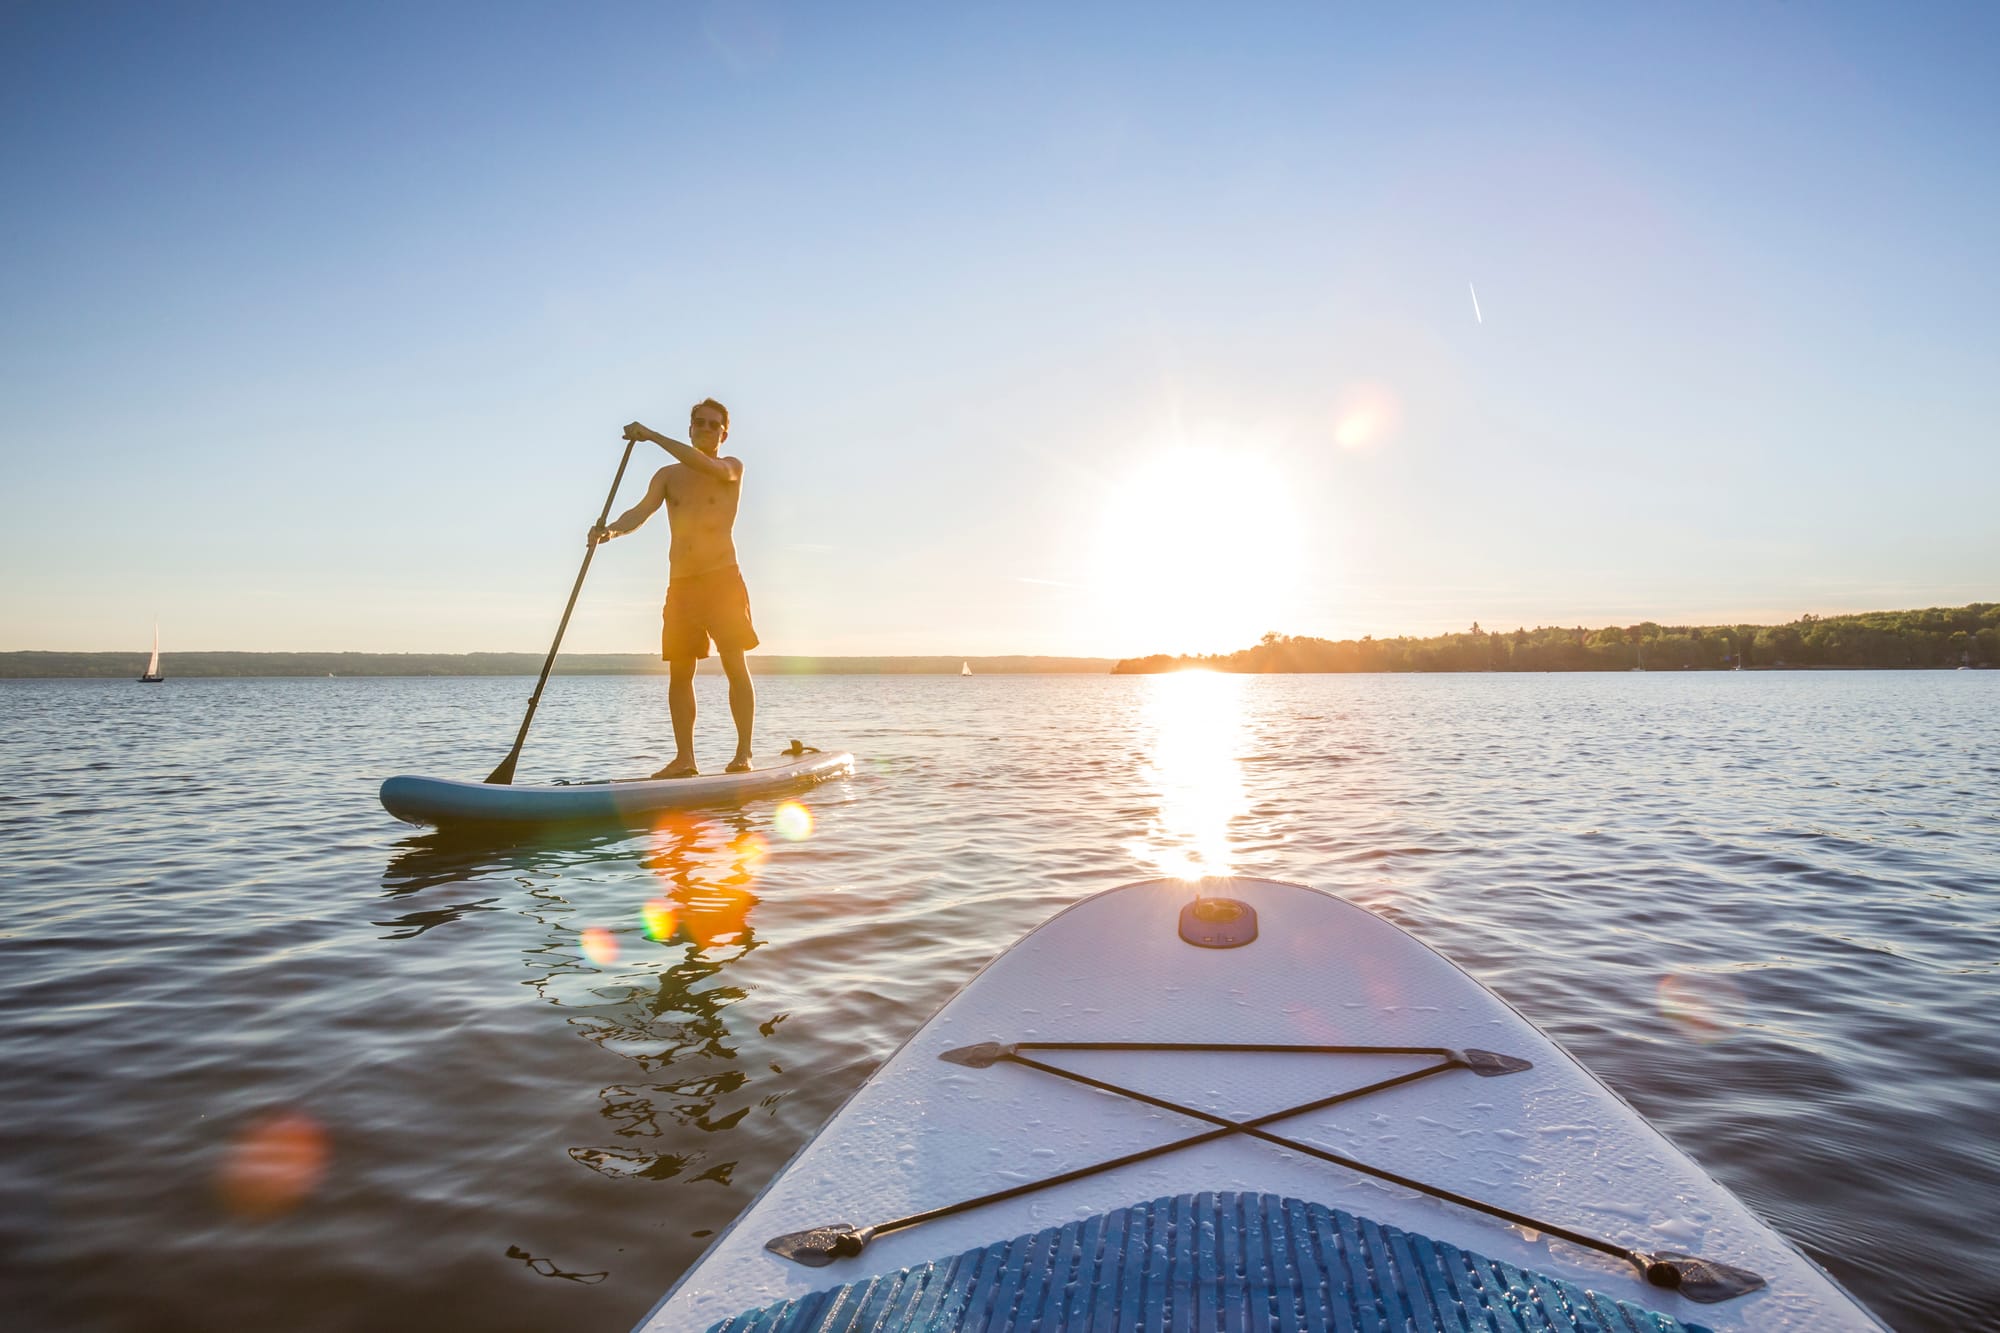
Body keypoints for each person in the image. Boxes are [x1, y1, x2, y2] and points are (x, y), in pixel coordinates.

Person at [589, 398, 757, 777]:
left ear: (724, 433)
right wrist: (610, 531)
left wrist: (650, 435)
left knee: (734, 663)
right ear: (690, 427)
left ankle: (743, 753)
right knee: (680, 673)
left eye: (714, 425)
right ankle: (685, 760)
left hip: (722, 580)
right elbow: (640, 512)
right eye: (699, 422)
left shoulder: (730, 468)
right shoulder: (667, 476)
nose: (705, 428)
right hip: (681, 586)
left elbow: (703, 463)